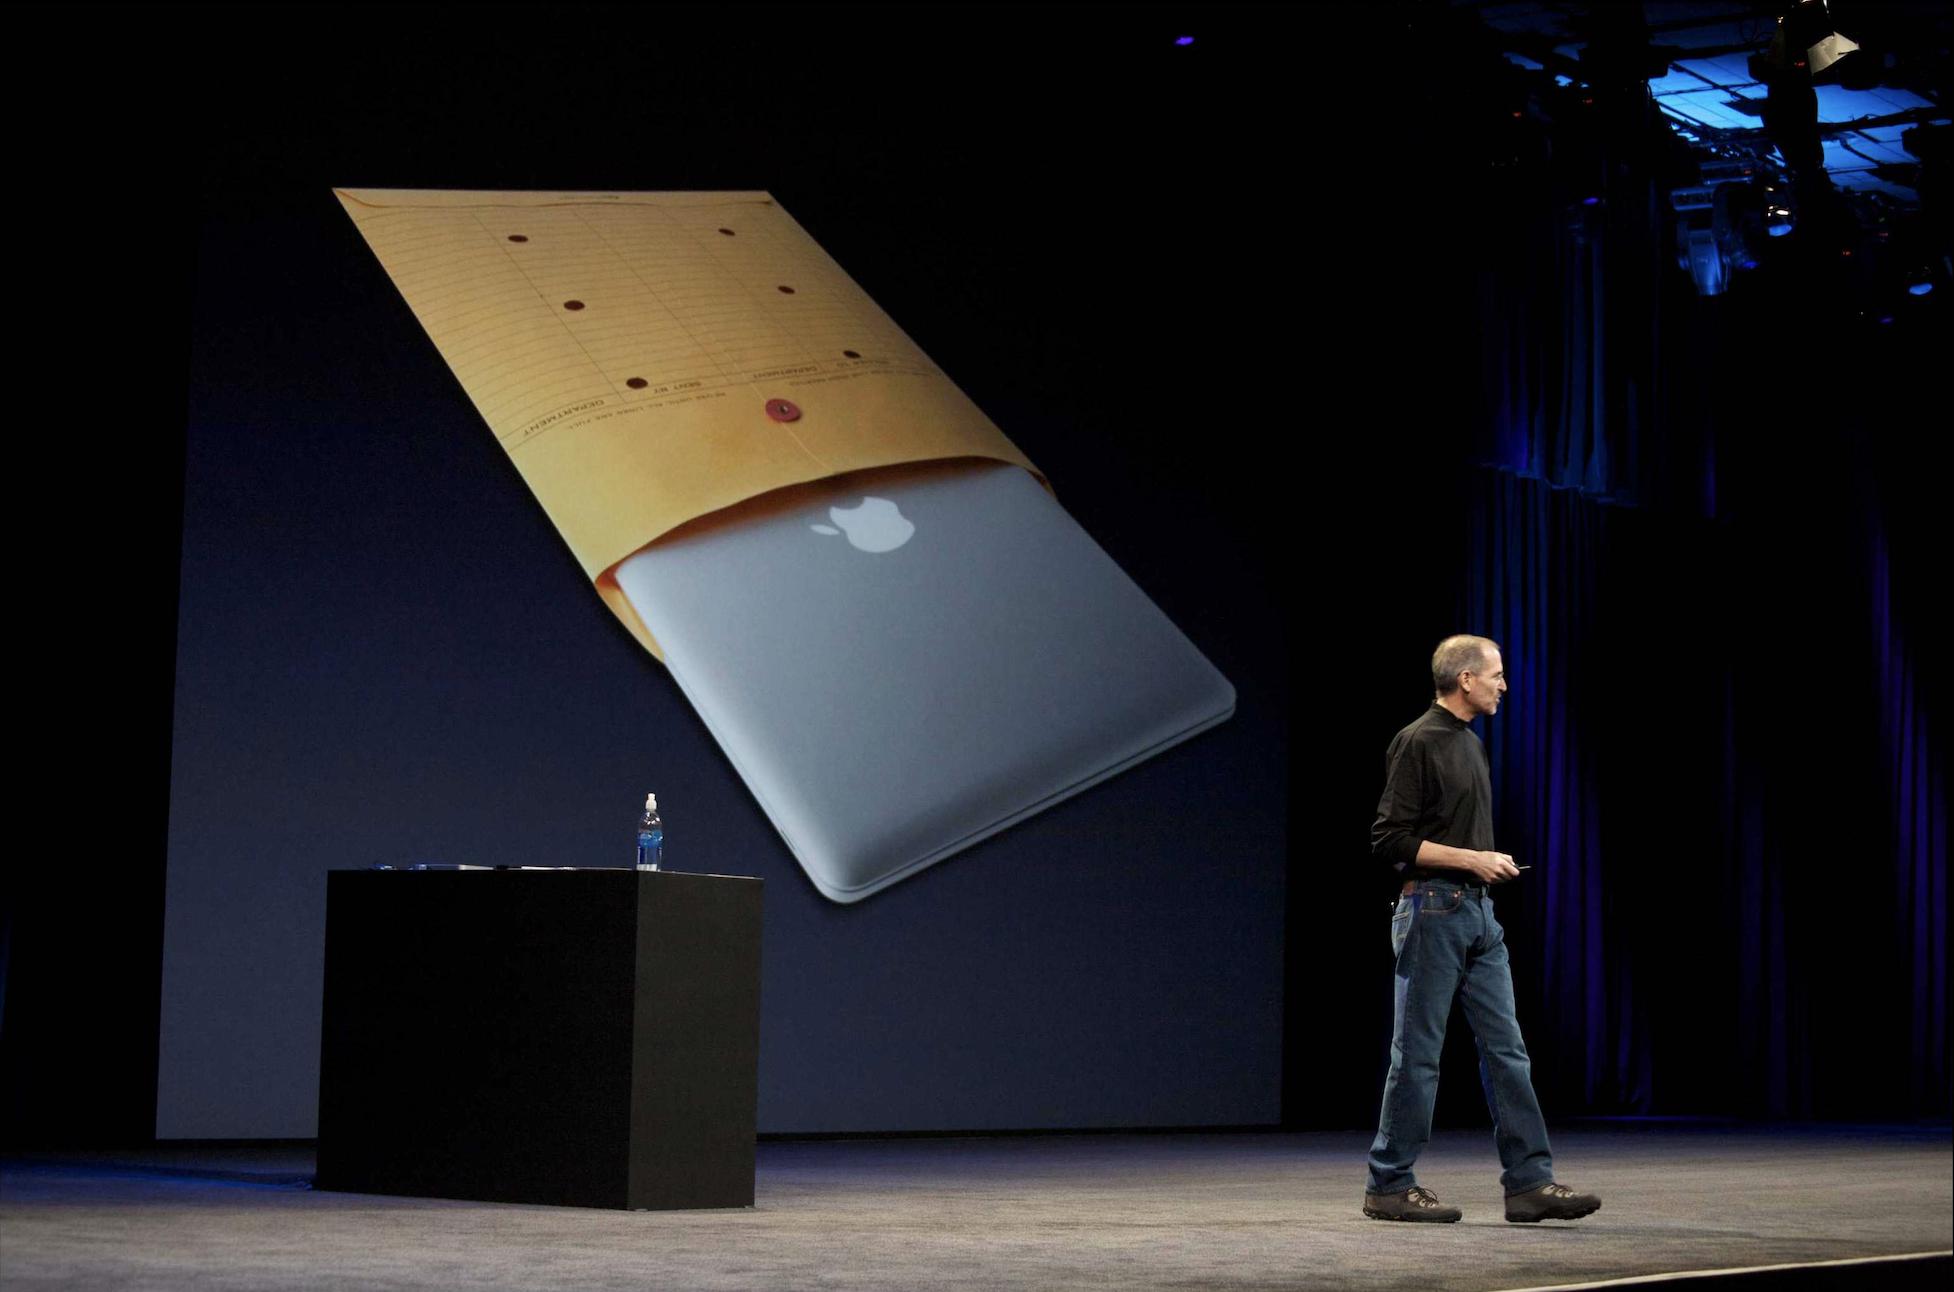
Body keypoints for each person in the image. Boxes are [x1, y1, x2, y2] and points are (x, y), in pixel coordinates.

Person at [1362, 635, 1601, 1224]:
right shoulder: (1418, 740)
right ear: (1465, 679)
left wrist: (1485, 868)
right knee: (1418, 1057)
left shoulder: (1471, 743)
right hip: (1432, 911)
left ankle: (1529, 1183)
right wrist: (1473, 858)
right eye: (1496, 675)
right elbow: (1389, 839)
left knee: (1507, 1051)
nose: (1503, 685)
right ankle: (1389, 1184)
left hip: (1478, 915)